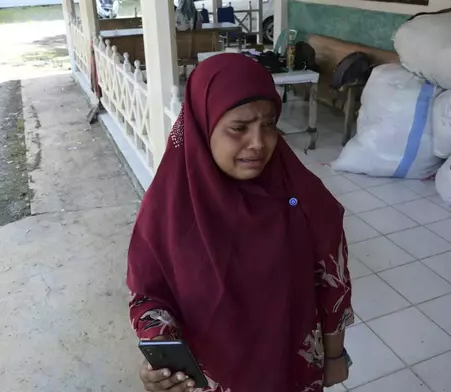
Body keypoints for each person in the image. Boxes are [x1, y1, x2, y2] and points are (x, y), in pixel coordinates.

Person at [127, 53, 354, 392]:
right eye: (239, 127)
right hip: (210, 378)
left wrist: (334, 358)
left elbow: (333, 283)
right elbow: (147, 296)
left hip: (290, 371)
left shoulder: (302, 196)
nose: (259, 143)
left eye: (269, 125)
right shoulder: (168, 208)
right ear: (204, 124)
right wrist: (161, 362)